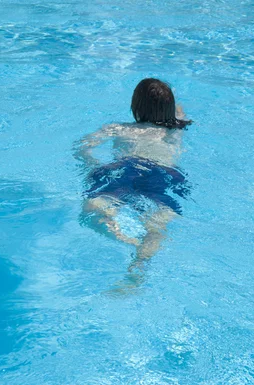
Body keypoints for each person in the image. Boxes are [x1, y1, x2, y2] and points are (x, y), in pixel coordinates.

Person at [75, 78, 192, 286]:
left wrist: (92, 165)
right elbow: (179, 110)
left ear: (134, 105)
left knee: (92, 209)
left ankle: (124, 238)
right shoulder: (176, 129)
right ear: (170, 109)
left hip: (126, 170)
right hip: (164, 173)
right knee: (158, 224)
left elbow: (82, 147)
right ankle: (139, 263)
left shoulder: (118, 128)